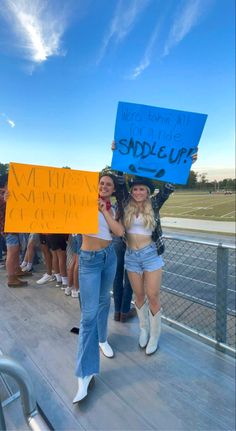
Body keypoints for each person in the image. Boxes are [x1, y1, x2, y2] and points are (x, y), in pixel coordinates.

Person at [73, 173, 124, 404]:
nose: (104, 186)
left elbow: (119, 232)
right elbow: (50, 208)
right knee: (88, 316)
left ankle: (102, 339)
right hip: (89, 261)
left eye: (108, 184)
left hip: (108, 257)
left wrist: (104, 209)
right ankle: (85, 372)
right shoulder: (82, 200)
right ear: (96, 185)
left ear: (113, 189)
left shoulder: (112, 208)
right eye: (101, 183)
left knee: (105, 301)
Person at [123, 176, 174, 355]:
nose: (138, 192)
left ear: (148, 191)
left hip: (150, 255)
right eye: (135, 189)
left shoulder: (154, 204)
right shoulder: (125, 204)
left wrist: (184, 164)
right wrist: (116, 152)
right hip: (131, 256)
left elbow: (168, 187)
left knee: (153, 295)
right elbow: (120, 179)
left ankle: (154, 335)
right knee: (138, 295)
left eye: (142, 189)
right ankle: (143, 330)